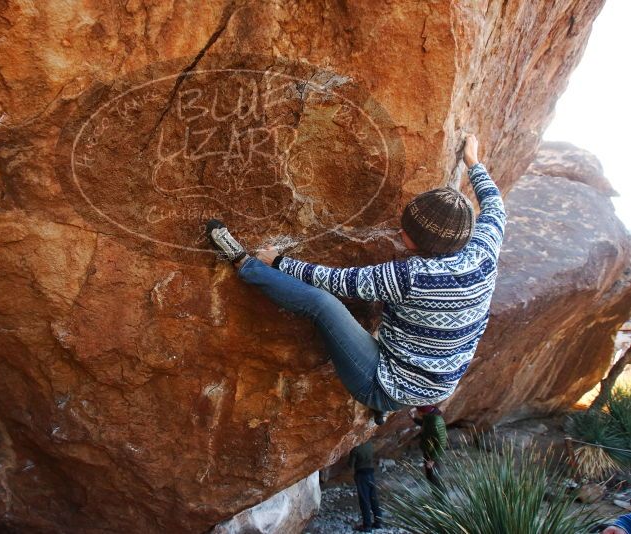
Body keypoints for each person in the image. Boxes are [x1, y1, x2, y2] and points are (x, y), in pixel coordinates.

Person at [205, 134, 506, 418]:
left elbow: (336, 282)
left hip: (385, 386)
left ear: (424, 244)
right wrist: (472, 161)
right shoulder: (484, 249)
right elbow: (495, 206)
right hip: (437, 384)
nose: (400, 231)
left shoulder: (413, 277)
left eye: (408, 231)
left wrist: (279, 261)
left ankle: (246, 265)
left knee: (324, 304)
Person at [348, 441, 383, 532]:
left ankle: (367, 526)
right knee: (374, 498)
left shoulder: (355, 448)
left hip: (362, 475)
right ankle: (378, 522)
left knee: (364, 500)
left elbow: (350, 465)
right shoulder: (370, 444)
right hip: (371, 473)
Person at [412, 406, 447, 487]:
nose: (418, 412)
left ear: (423, 412)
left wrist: (432, 459)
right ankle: (436, 494)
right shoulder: (429, 418)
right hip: (428, 450)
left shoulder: (436, 422)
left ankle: (440, 497)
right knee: (430, 476)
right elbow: (425, 424)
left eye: (418, 411)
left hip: (433, 453)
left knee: (434, 476)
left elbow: (442, 443)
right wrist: (414, 418)